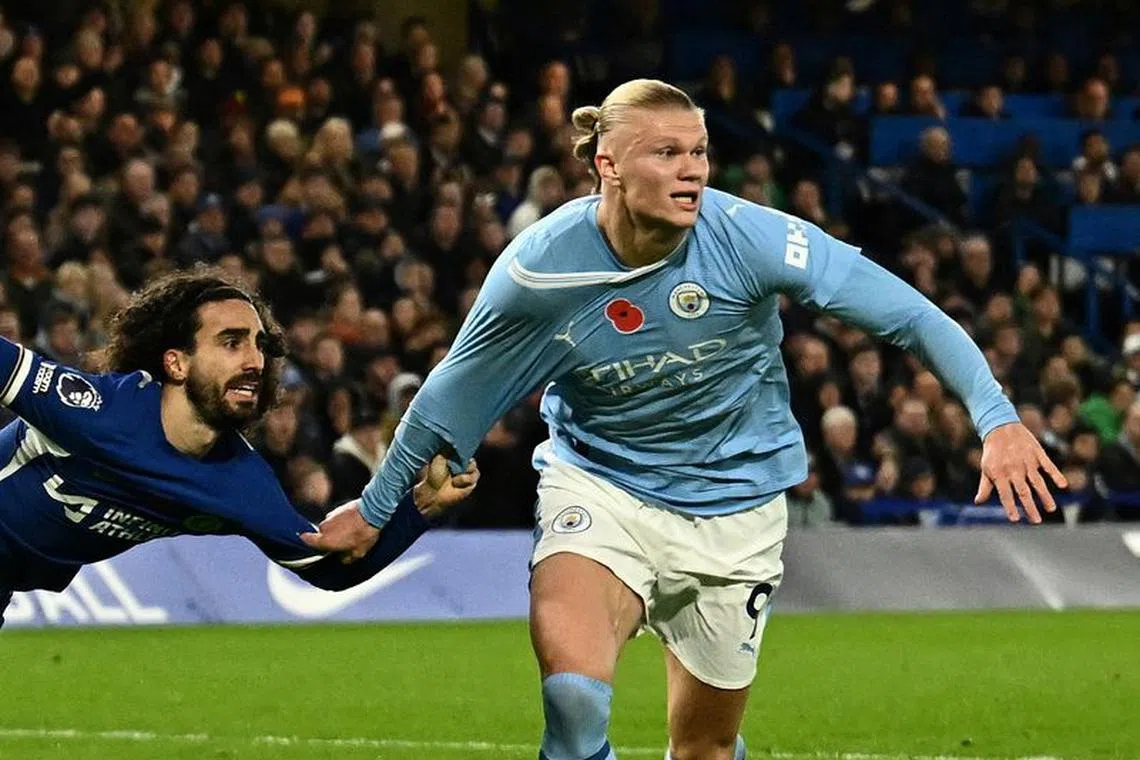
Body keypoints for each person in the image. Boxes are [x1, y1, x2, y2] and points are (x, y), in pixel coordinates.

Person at [304, 80, 1065, 760]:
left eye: (699, 150)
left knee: (702, 745)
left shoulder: (750, 238)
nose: (694, 169)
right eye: (666, 153)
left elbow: (908, 314)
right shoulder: (540, 273)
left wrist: (996, 419)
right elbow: (449, 399)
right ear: (607, 166)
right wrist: (375, 510)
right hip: (601, 490)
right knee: (572, 705)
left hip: (737, 512)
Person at [0, 270, 478, 628]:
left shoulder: (239, 482)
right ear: (177, 363)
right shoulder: (101, 411)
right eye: (231, 343)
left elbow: (330, 569)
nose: (254, 360)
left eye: (260, 345)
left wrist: (421, 506)